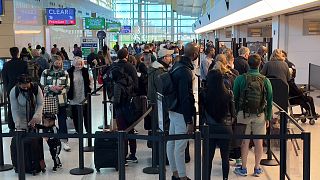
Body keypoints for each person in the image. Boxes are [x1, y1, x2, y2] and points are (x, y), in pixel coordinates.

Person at [233, 54, 273, 177]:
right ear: (260, 63)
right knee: (258, 142)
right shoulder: (265, 80)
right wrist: (268, 117)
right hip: (260, 114)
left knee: (245, 142)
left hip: (243, 114)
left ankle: (243, 168)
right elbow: (270, 99)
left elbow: (235, 97)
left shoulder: (240, 79)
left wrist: (237, 114)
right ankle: (257, 168)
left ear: (248, 64)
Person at [167, 42, 198, 180]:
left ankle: (175, 173)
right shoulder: (185, 71)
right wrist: (189, 120)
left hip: (173, 109)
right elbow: (185, 98)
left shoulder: (176, 65)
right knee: (180, 145)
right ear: (195, 54)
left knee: (172, 142)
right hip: (181, 113)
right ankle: (182, 176)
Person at [202, 69, 234, 180]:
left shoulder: (204, 93)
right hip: (225, 127)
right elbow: (233, 113)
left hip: (209, 128)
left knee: (208, 158)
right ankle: (225, 178)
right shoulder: (228, 93)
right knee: (225, 157)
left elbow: (202, 113)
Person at [112, 48, 139, 163]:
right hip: (129, 102)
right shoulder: (131, 67)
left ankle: (123, 156)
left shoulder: (113, 67)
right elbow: (136, 85)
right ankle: (132, 154)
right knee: (131, 129)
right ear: (127, 55)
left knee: (121, 130)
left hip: (118, 104)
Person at [40, 55, 71, 151]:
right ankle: (49, 138)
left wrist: (58, 90)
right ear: (52, 62)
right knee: (48, 120)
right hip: (49, 100)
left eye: (60, 62)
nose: (58, 64)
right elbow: (42, 85)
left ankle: (64, 141)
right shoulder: (46, 72)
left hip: (61, 100)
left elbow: (67, 86)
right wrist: (50, 88)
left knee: (62, 121)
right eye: (57, 62)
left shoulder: (65, 73)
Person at [2, 47, 28, 132]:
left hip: (10, 87)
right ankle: (22, 123)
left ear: (10, 53)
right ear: (18, 53)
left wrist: (7, 87)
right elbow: (26, 76)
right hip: (22, 86)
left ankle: (11, 125)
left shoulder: (6, 64)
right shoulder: (23, 63)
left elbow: (4, 78)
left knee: (11, 106)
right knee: (23, 104)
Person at [67, 57, 91, 133]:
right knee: (75, 115)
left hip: (84, 95)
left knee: (86, 114)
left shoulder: (85, 71)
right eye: (77, 64)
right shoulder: (69, 71)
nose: (79, 66)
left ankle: (88, 130)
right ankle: (78, 130)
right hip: (74, 96)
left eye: (80, 64)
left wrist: (90, 89)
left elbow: (90, 81)